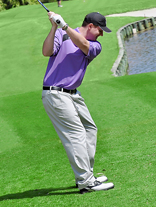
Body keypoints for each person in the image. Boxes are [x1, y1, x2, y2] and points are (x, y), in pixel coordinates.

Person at [41, 11, 115, 194]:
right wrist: (54, 28)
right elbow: (46, 52)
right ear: (90, 26)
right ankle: (86, 181)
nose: (102, 34)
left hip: (73, 94)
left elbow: (83, 44)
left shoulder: (95, 46)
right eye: (100, 30)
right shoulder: (61, 34)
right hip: (55, 93)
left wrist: (65, 26)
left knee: (90, 129)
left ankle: (86, 174)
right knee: (76, 134)